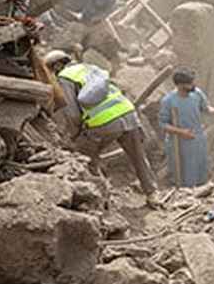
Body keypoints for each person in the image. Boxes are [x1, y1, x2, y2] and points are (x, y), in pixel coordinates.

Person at [44, 49, 159, 208]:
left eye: (50, 70)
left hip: (104, 120)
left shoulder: (65, 78)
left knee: (82, 155)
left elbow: (73, 115)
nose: (51, 75)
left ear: (57, 66)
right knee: (138, 157)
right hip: (128, 113)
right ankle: (152, 194)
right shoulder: (90, 68)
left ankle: (99, 195)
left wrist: (75, 135)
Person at [158, 68, 214, 187]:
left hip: (197, 139)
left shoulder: (197, 94)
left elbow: (207, 109)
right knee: (183, 173)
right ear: (180, 85)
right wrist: (181, 132)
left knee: (199, 171)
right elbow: (163, 124)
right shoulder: (168, 101)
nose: (193, 85)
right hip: (179, 142)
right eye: (189, 83)